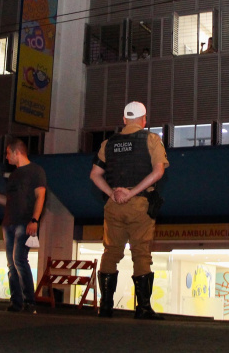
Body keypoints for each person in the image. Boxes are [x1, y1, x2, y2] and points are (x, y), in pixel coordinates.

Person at [90, 101, 168, 319]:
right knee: (141, 252)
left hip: (113, 205)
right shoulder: (151, 139)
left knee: (111, 252)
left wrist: (113, 193)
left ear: (124, 120)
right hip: (139, 204)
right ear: (144, 120)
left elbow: (94, 174)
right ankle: (142, 308)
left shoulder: (108, 143)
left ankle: (105, 307)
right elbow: (158, 172)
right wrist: (131, 194)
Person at [0, 138, 47, 313]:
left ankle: (29, 301)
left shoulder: (35, 171)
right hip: (8, 222)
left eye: (8, 153)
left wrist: (34, 219)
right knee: (12, 263)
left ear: (17, 152)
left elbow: (41, 195)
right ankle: (17, 302)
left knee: (19, 259)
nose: (7, 157)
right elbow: (7, 200)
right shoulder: (14, 174)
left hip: (25, 221)